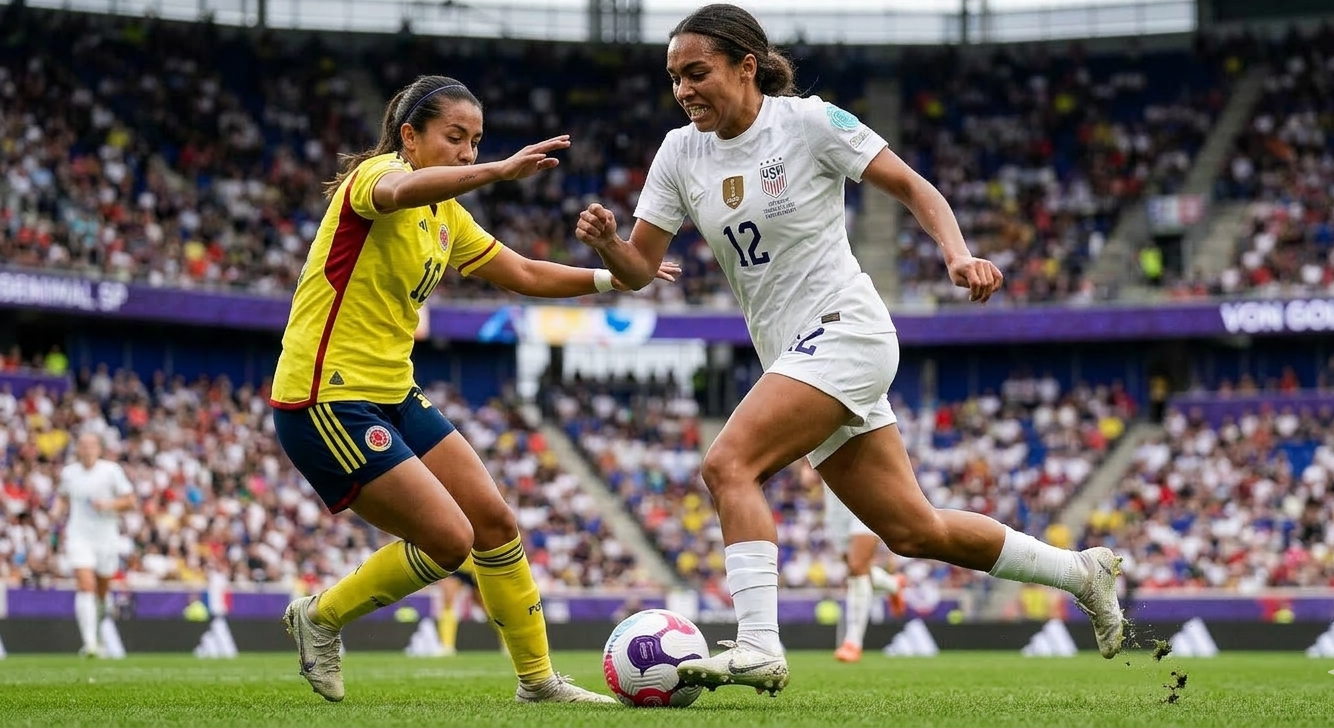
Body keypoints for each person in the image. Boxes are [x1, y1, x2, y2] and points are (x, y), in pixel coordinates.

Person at [574, 3, 1125, 696]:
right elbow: (638, 268)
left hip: (847, 331)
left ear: (747, 66)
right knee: (915, 531)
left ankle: (757, 644)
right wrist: (608, 247)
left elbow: (911, 185)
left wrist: (957, 255)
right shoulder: (679, 152)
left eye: (697, 72)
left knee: (728, 465)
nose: (683, 90)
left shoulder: (807, 122)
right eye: (674, 78)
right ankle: (1082, 572)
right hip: (794, 355)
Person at [270, 74, 677, 704]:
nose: (467, 152)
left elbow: (521, 272)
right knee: (450, 540)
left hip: (392, 394)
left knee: (493, 521)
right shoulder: (374, 180)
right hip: (325, 397)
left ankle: (539, 684)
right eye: (455, 138)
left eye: (476, 141)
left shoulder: (446, 216)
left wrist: (615, 278)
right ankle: (321, 617)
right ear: (410, 136)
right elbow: (407, 187)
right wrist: (495, 172)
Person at [797, 461, 906, 663]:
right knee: (857, 568)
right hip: (836, 505)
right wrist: (806, 466)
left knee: (856, 568)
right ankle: (893, 584)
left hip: (869, 497)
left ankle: (852, 642)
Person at [55, 432, 135, 657]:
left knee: (101, 592)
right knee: (85, 585)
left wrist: (109, 504)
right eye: (83, 445)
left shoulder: (111, 471)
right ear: (77, 449)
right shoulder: (69, 473)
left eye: (91, 445)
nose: (87, 449)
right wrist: (56, 511)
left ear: (99, 449)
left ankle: (97, 635)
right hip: (78, 536)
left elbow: (130, 500)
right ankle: (89, 644)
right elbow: (62, 496)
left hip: (107, 538)